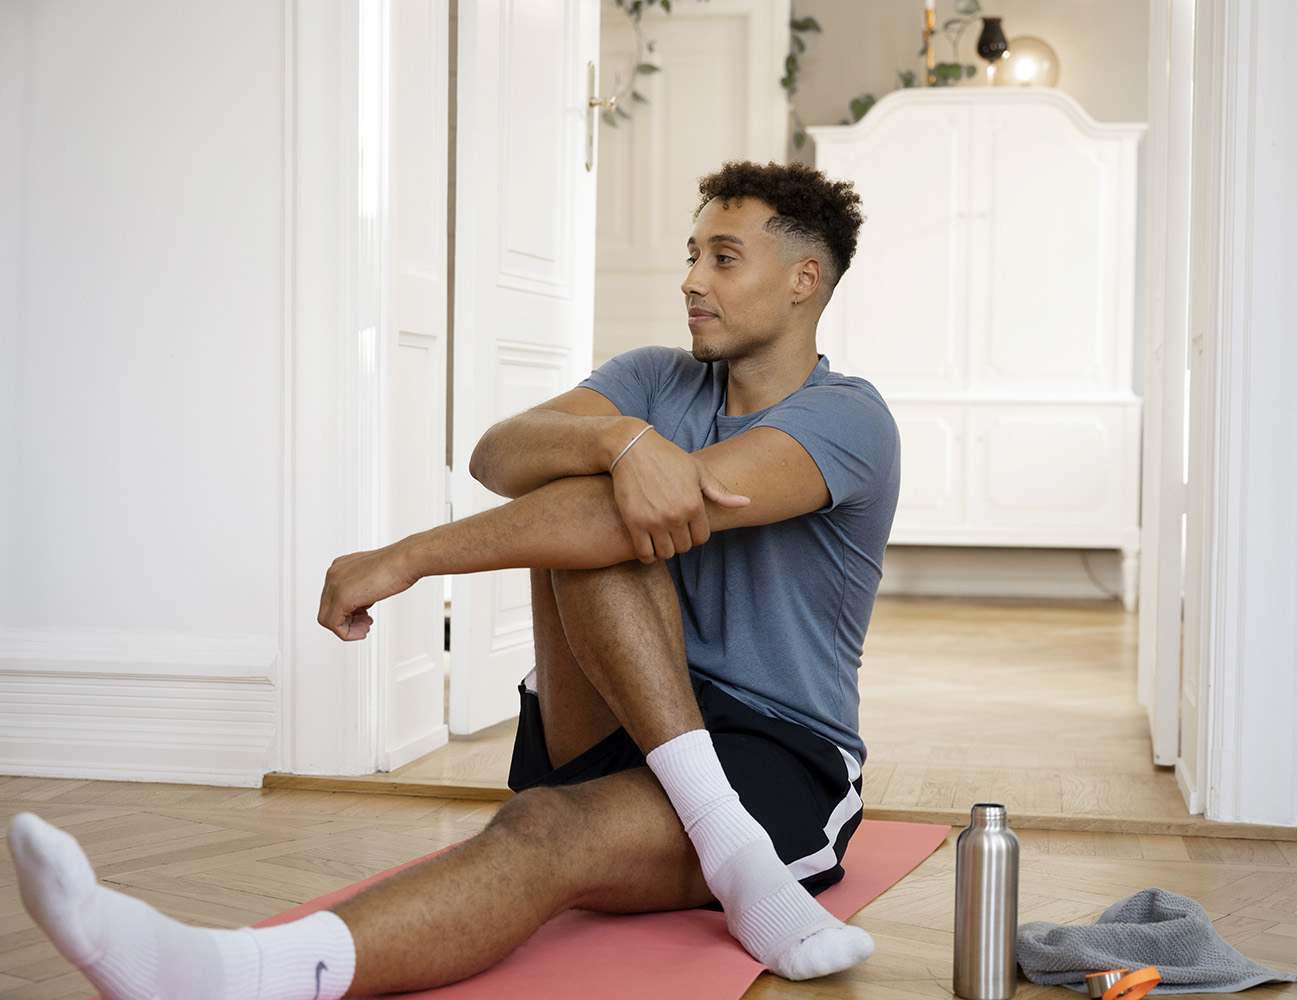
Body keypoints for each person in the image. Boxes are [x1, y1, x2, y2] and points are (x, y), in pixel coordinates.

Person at [8, 159, 900, 1000]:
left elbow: (639, 511)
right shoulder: (652, 380)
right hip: (626, 701)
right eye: (692, 254)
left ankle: (234, 975)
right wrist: (618, 439)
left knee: (541, 826)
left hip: (778, 753)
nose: (691, 280)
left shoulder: (849, 419)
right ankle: (722, 837)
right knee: (583, 474)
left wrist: (404, 558)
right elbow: (498, 452)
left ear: (803, 280)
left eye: (724, 257)